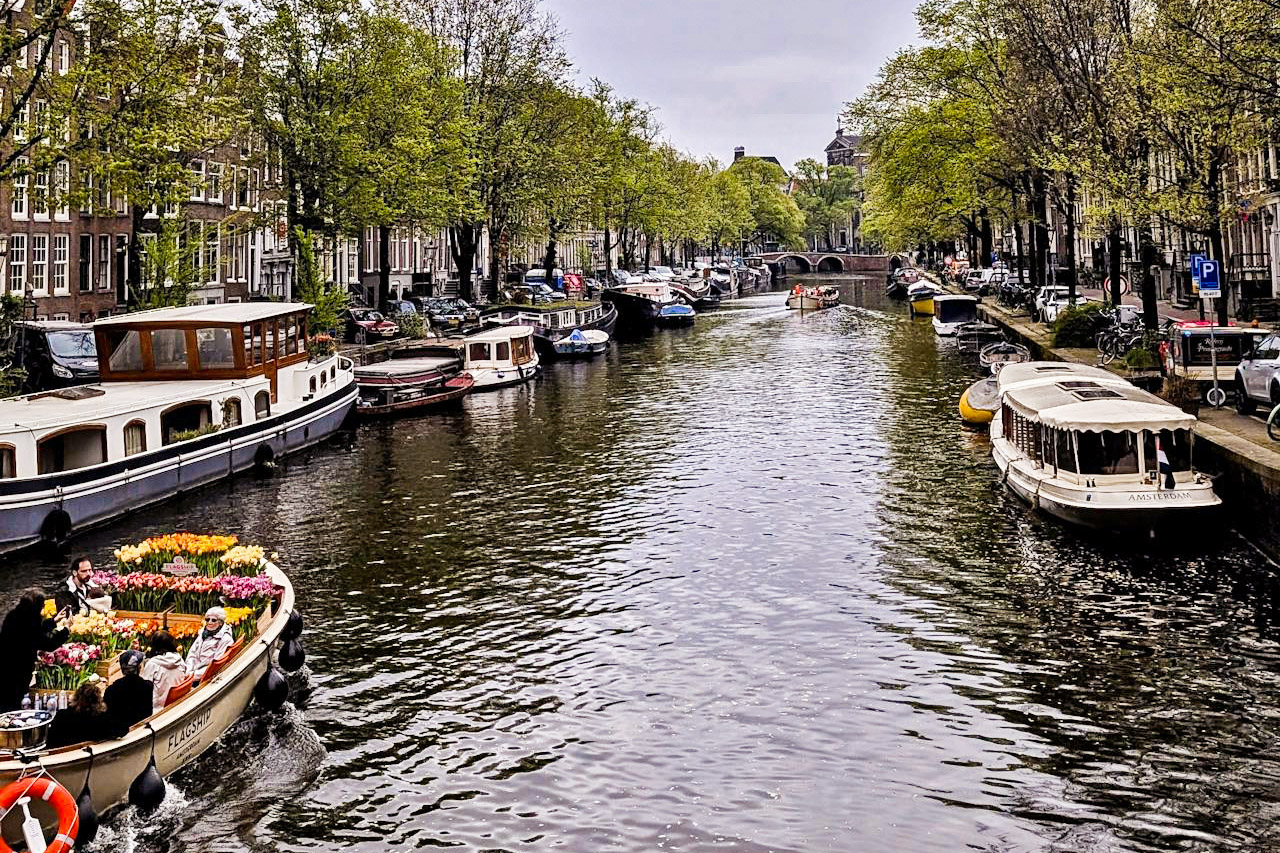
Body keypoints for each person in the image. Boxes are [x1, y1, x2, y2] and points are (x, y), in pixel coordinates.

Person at [0, 588, 70, 712]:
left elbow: (36, 632)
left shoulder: (14, 615)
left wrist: (54, 621)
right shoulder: (31, 619)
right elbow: (47, 644)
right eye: (42, 605)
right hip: (19, 667)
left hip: (6, 662)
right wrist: (66, 630)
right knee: (14, 700)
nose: (43, 608)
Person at [46, 680, 116, 749]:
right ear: (99, 700)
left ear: (76, 697)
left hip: (63, 753)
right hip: (93, 753)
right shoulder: (102, 719)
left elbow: (50, 740)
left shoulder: (63, 716)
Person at [103, 650, 152, 732]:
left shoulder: (111, 690)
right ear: (139, 668)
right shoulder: (147, 686)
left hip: (118, 733)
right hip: (141, 731)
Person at [141, 631, 187, 713]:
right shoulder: (180, 660)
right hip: (177, 704)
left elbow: (144, 691)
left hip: (156, 709)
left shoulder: (152, 664)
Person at [186, 607, 233, 683]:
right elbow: (192, 654)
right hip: (191, 674)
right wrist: (188, 671)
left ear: (220, 623)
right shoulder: (203, 633)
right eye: (207, 620)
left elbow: (215, 665)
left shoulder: (225, 639)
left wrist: (193, 676)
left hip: (204, 677)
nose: (209, 622)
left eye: (213, 620)